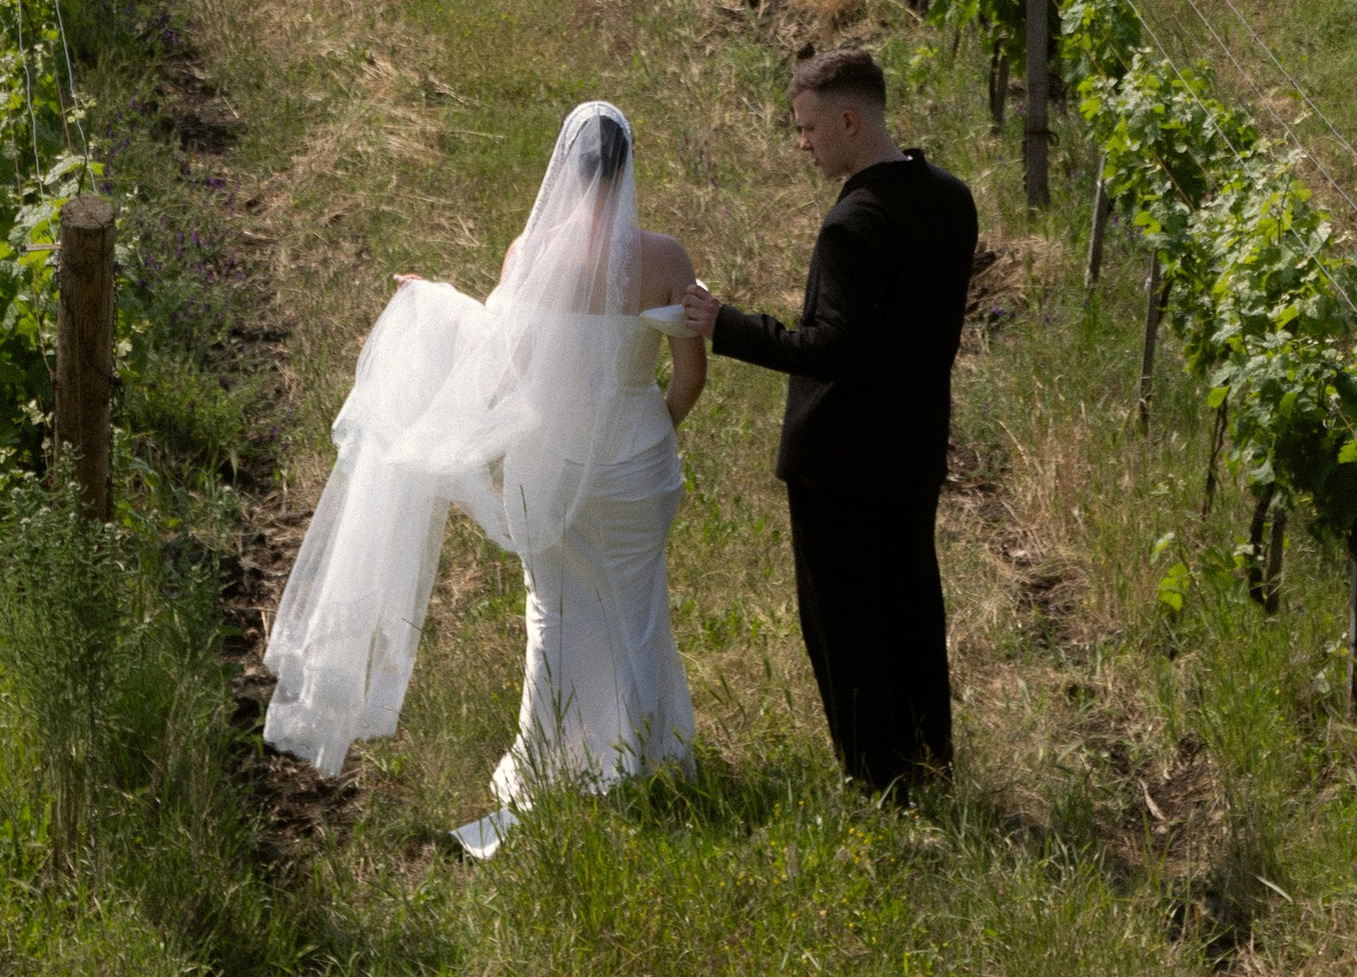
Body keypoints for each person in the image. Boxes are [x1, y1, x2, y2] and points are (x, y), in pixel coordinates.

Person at [259, 102, 705, 852]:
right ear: (628, 165)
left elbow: (505, 374)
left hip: (547, 466)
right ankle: (647, 762)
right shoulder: (665, 259)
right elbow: (691, 377)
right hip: (636, 464)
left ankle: (550, 768)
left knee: (553, 612)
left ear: (565, 170)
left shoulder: (528, 253)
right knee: (637, 606)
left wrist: (432, 307)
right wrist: (645, 435)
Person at [681, 46, 978, 794]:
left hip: (841, 459)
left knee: (846, 625)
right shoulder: (951, 198)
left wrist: (725, 324)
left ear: (849, 122)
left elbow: (835, 349)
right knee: (911, 606)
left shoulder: (853, 222)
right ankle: (929, 758)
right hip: (914, 447)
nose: (802, 144)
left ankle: (876, 777)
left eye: (809, 128)